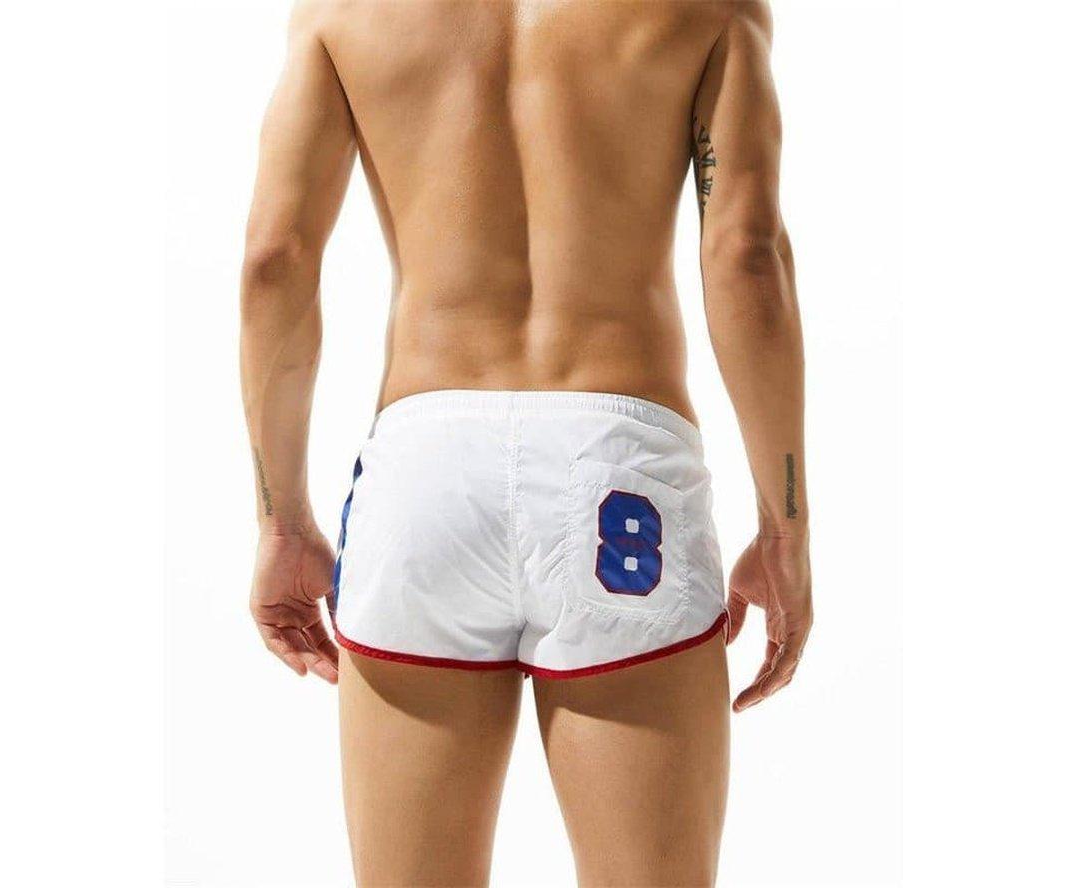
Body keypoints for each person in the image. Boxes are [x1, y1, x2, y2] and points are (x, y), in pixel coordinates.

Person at [239, 1, 812, 884]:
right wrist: (785, 526)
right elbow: (745, 255)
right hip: (620, 469)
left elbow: (274, 259)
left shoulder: (342, 10)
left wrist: (280, 521)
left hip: (425, 468)